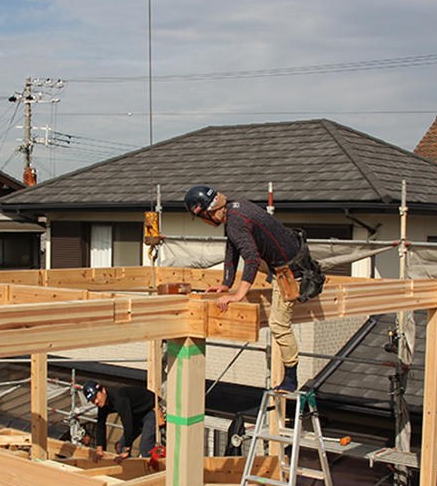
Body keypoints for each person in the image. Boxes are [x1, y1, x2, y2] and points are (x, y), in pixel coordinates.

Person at [184, 184, 325, 392]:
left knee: (278, 324)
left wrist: (239, 294)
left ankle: (291, 376)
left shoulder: (235, 222)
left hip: (291, 271)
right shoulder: (235, 210)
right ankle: (290, 375)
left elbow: (251, 258)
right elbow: (232, 250)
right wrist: (226, 284)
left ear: (206, 212)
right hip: (291, 256)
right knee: (248, 261)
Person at [82, 380, 158, 460]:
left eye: (96, 397)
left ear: (103, 391)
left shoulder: (119, 399)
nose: (96, 402)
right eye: (92, 400)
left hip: (151, 410)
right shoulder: (103, 405)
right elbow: (100, 425)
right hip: (137, 415)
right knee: (122, 445)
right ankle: (130, 469)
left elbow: (128, 424)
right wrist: (99, 450)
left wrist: (126, 450)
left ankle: (153, 468)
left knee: (145, 446)